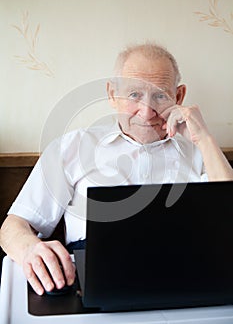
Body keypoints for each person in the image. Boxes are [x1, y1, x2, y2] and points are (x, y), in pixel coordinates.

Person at [1, 42, 232, 296]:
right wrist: (29, 249)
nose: (146, 112)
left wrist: (206, 140)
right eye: (134, 95)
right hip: (95, 285)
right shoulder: (71, 148)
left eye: (160, 96)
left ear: (178, 97)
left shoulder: (200, 152)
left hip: (189, 280)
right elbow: (14, 226)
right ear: (112, 94)